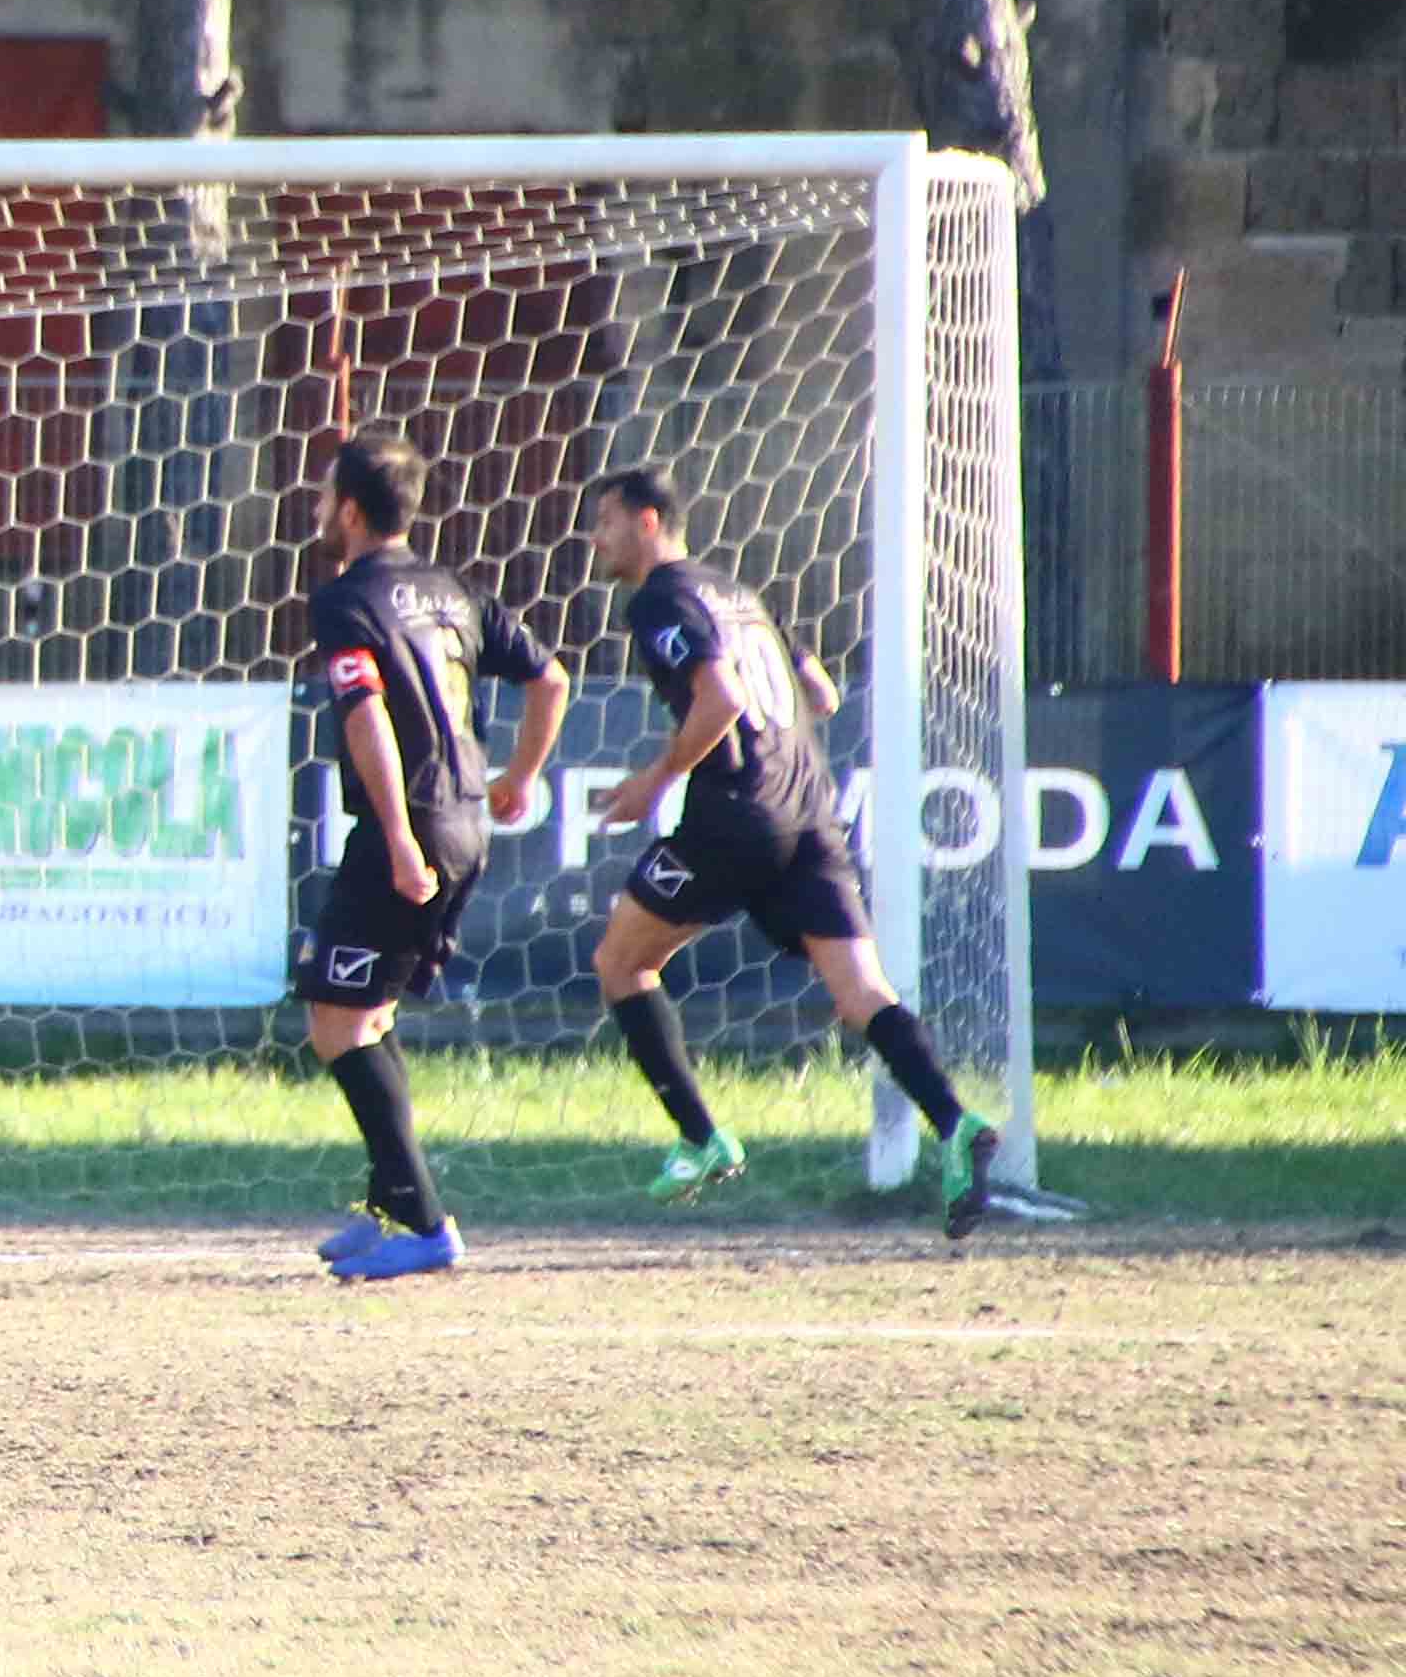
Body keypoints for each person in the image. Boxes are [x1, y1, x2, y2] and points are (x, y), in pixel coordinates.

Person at [575, 465, 1002, 1231]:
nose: (594, 537)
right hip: (809, 810)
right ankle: (957, 1123)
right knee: (861, 994)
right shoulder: (737, 595)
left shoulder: (661, 600)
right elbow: (821, 692)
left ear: (647, 523)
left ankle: (702, 1138)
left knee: (620, 961)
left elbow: (724, 698)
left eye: (604, 521)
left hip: (735, 814)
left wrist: (656, 777)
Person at [294, 429, 566, 1286]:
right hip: (468, 821)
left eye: (322, 495)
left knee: (334, 1021)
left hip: (406, 831)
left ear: (347, 509)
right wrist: (518, 778)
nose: (316, 509)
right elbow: (550, 677)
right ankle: (387, 1207)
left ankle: (422, 1222)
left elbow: (366, 715)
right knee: (368, 1016)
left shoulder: (346, 599)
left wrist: (402, 842)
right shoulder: (455, 591)